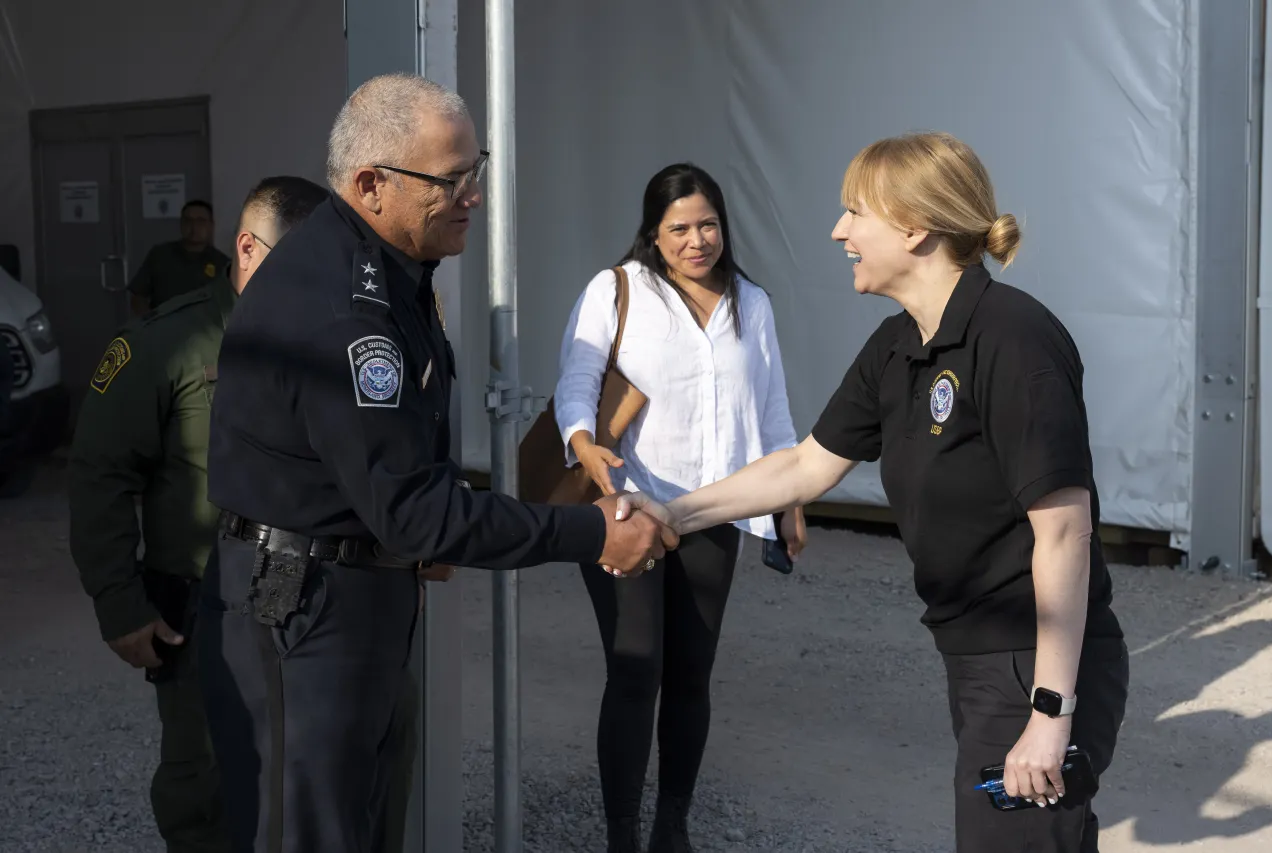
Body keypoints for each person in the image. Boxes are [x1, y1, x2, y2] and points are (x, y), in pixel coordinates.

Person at [197, 73, 674, 853]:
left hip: (351, 590)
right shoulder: (346, 313)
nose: (471, 195)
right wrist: (591, 532)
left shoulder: (384, 272)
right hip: (304, 611)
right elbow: (413, 508)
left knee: (356, 817)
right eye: (450, 180)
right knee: (306, 832)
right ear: (370, 184)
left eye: (474, 170)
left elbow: (403, 468)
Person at [617, 132, 1129, 853]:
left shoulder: (1014, 338)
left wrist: (1049, 712)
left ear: (915, 226)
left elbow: (1064, 532)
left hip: (1031, 660)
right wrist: (671, 510)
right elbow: (803, 467)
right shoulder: (898, 345)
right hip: (979, 656)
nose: (839, 231)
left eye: (855, 212)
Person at [67, 176, 329, 853]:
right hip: (203, 602)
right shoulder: (166, 345)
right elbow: (99, 474)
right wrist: (119, 603)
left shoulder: (332, 337)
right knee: (204, 788)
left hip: (306, 599)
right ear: (247, 250)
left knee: (302, 779)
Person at [554, 163, 806, 852]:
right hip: (627, 511)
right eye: (679, 228)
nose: (697, 240)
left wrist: (789, 499)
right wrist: (583, 443)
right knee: (636, 668)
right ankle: (621, 835)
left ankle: (672, 826)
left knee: (691, 675)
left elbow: (774, 410)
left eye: (707, 225)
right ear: (653, 233)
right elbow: (575, 385)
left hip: (712, 514)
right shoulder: (617, 290)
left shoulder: (751, 302)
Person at [129, 199, 232, 315]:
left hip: (204, 328)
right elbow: (138, 297)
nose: (194, 227)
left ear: (211, 226)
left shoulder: (222, 264)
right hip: (163, 325)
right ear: (181, 224)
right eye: (188, 221)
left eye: (201, 221)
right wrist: (150, 322)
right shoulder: (160, 255)